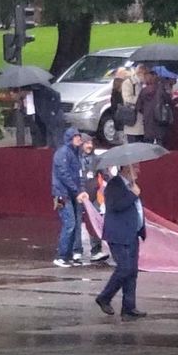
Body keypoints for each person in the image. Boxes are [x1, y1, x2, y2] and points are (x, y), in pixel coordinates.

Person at [94, 163, 147, 320]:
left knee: (132, 272)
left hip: (132, 233)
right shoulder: (114, 185)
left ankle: (129, 307)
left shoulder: (131, 185)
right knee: (124, 268)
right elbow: (115, 206)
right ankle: (104, 297)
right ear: (125, 169)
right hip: (118, 234)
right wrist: (133, 194)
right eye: (135, 167)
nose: (138, 171)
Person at [52, 128, 89, 267]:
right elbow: (64, 175)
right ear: (70, 138)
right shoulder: (63, 153)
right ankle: (61, 256)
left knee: (74, 224)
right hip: (61, 195)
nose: (79, 139)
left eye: (79, 136)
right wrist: (77, 190)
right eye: (76, 137)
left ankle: (69, 255)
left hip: (72, 195)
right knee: (69, 223)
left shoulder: (75, 153)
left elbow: (79, 175)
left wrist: (81, 190)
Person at [73, 133, 110, 263]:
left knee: (95, 221)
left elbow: (106, 175)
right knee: (76, 222)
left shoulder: (97, 159)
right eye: (86, 143)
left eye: (91, 143)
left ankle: (96, 250)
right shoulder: (75, 159)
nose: (89, 146)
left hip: (93, 196)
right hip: (78, 196)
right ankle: (76, 251)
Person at [140, 69, 175, 146]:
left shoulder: (143, 91)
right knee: (160, 143)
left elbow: (139, 106)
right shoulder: (162, 90)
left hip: (148, 120)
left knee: (148, 144)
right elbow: (169, 102)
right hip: (160, 118)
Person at [121, 65, 148, 143]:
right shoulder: (128, 83)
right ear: (140, 73)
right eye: (145, 74)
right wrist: (141, 99)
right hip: (132, 119)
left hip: (143, 121)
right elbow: (127, 99)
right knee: (133, 144)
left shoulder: (144, 84)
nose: (146, 77)